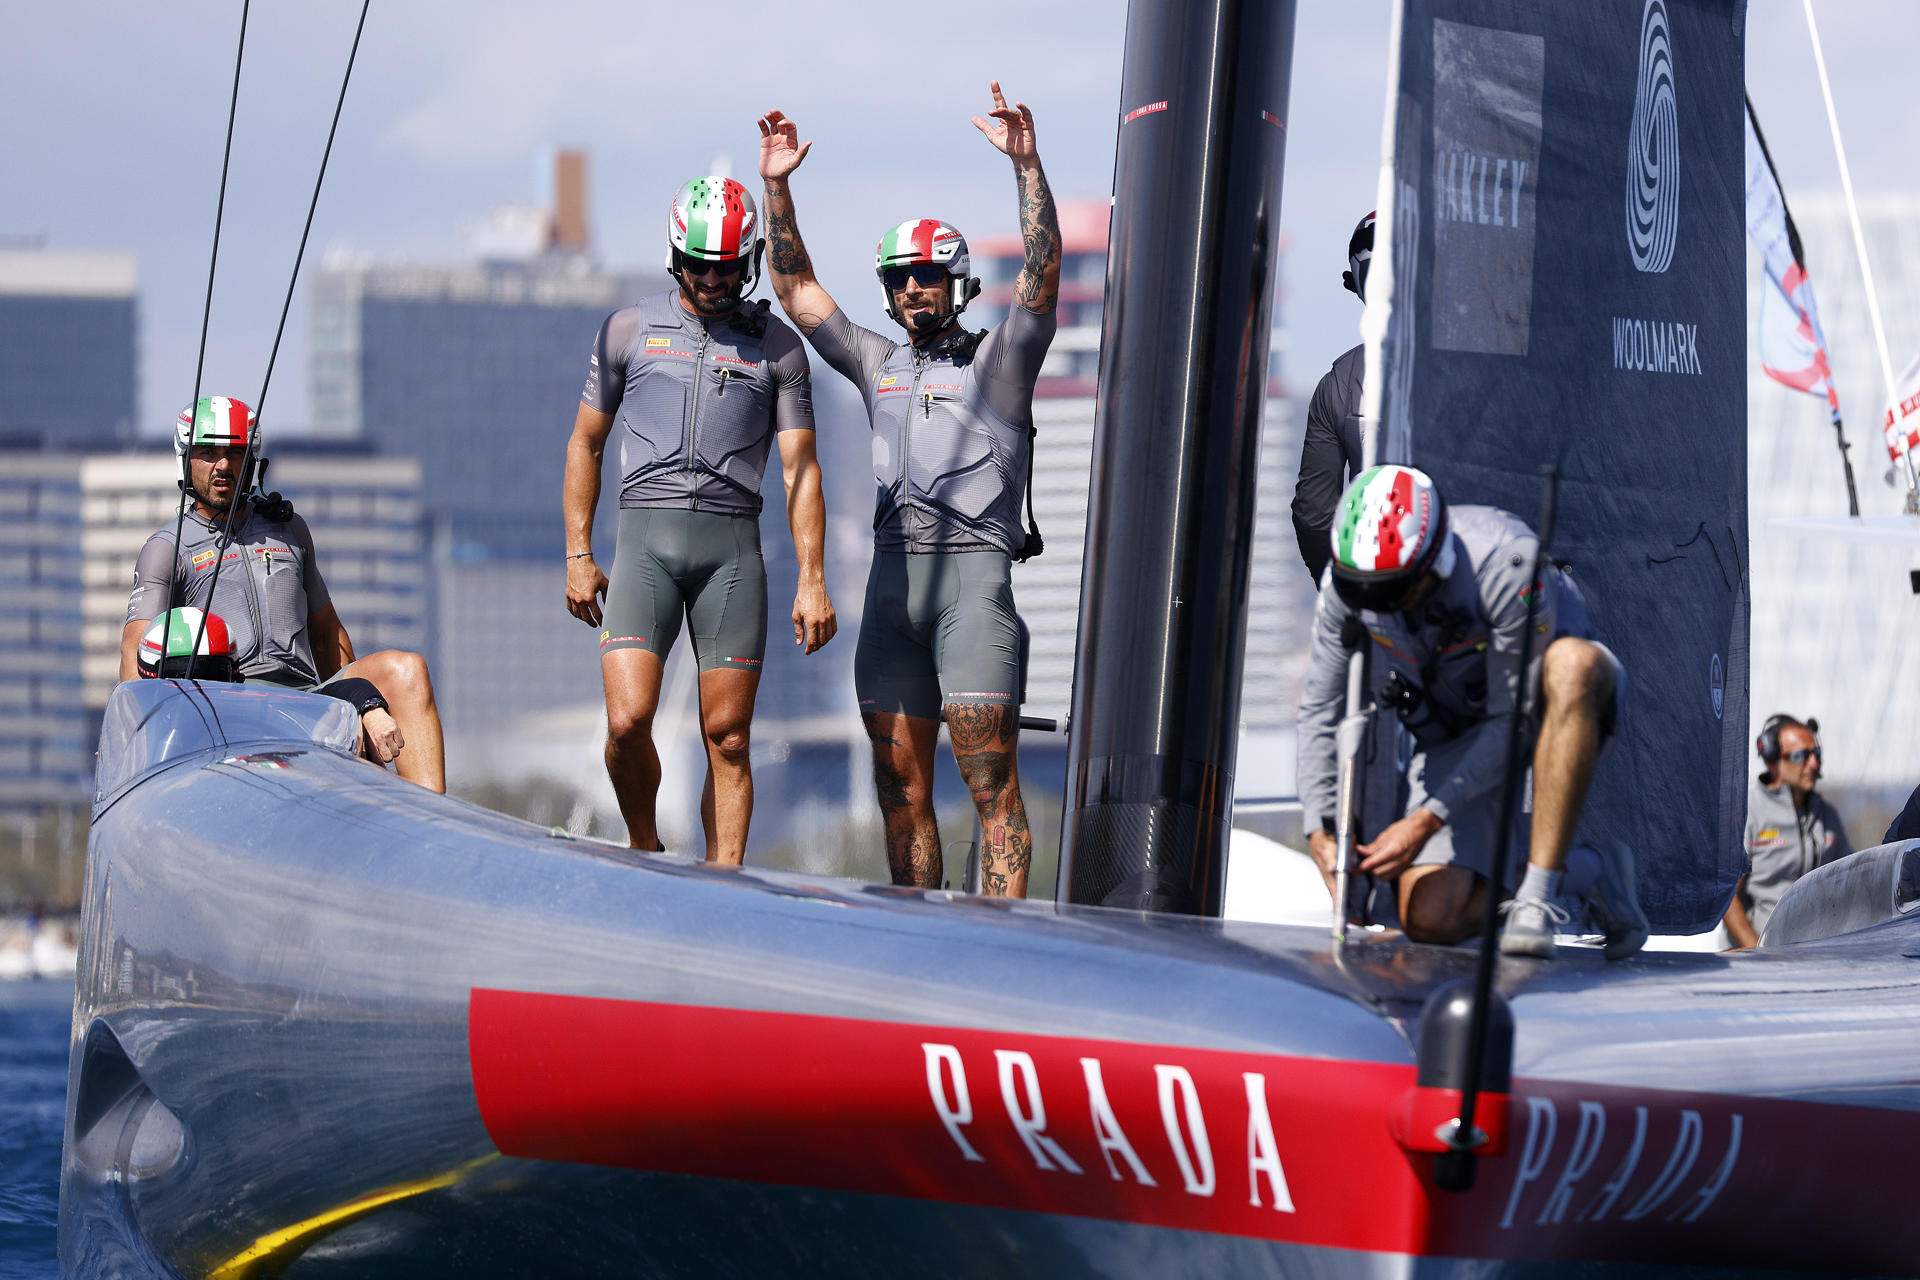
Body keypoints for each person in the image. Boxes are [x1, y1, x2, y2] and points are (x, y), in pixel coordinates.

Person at [757, 82, 1060, 897]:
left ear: (957, 284)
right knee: (901, 797)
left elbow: (1040, 275)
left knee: (992, 792)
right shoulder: (879, 363)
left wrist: (1026, 166)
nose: (911, 292)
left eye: (927, 278)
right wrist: (777, 186)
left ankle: (998, 952)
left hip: (972, 583)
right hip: (890, 587)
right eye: (898, 281)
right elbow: (795, 291)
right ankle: (917, 944)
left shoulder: (999, 363)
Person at [563, 175, 834, 862]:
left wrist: (813, 579)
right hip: (644, 545)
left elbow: (802, 469)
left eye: (726, 268)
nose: (712, 280)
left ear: (749, 260)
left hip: (732, 553)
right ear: (675, 258)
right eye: (699, 266)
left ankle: (725, 883)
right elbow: (585, 443)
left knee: (730, 738)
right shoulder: (628, 330)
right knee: (627, 723)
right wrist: (578, 553)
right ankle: (646, 847)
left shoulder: (777, 348)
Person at [1297, 465, 1648, 959]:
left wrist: (1425, 820)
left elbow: (1513, 723)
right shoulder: (1347, 583)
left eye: (1396, 590)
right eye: (1365, 592)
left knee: (1573, 665)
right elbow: (1319, 709)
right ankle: (1591, 869)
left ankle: (1538, 892)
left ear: (1434, 564)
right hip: (1453, 732)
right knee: (1430, 918)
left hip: (1547, 711)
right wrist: (1319, 828)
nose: (1382, 605)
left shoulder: (1505, 561)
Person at [122, 397, 444, 791]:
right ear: (185, 462)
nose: (222, 465)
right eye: (207, 453)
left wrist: (360, 708)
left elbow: (328, 635)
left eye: (234, 453)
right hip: (236, 704)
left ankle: (429, 816)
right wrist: (137, 761)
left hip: (310, 697)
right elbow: (137, 656)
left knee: (408, 670)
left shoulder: (290, 532)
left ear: (252, 461)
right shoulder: (167, 548)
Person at [136, 605, 406, 765]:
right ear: (150, 677)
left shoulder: (252, 708)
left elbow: (325, 696)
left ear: (234, 674)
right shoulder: (143, 742)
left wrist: (371, 708)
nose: (196, 687)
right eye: (178, 676)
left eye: (211, 674)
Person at [1290, 212, 1374, 583]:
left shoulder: (1340, 382)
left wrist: (1341, 594)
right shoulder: (1485, 363)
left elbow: (1314, 514)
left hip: (1375, 587)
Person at [1723, 714, 1853, 948]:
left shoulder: (1826, 814)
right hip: (1755, 959)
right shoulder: (1746, 812)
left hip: (1812, 956)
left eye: (1816, 754)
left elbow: (1852, 881)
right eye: (1800, 756)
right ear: (1773, 761)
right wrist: (1757, 953)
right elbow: (1727, 897)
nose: (1813, 764)